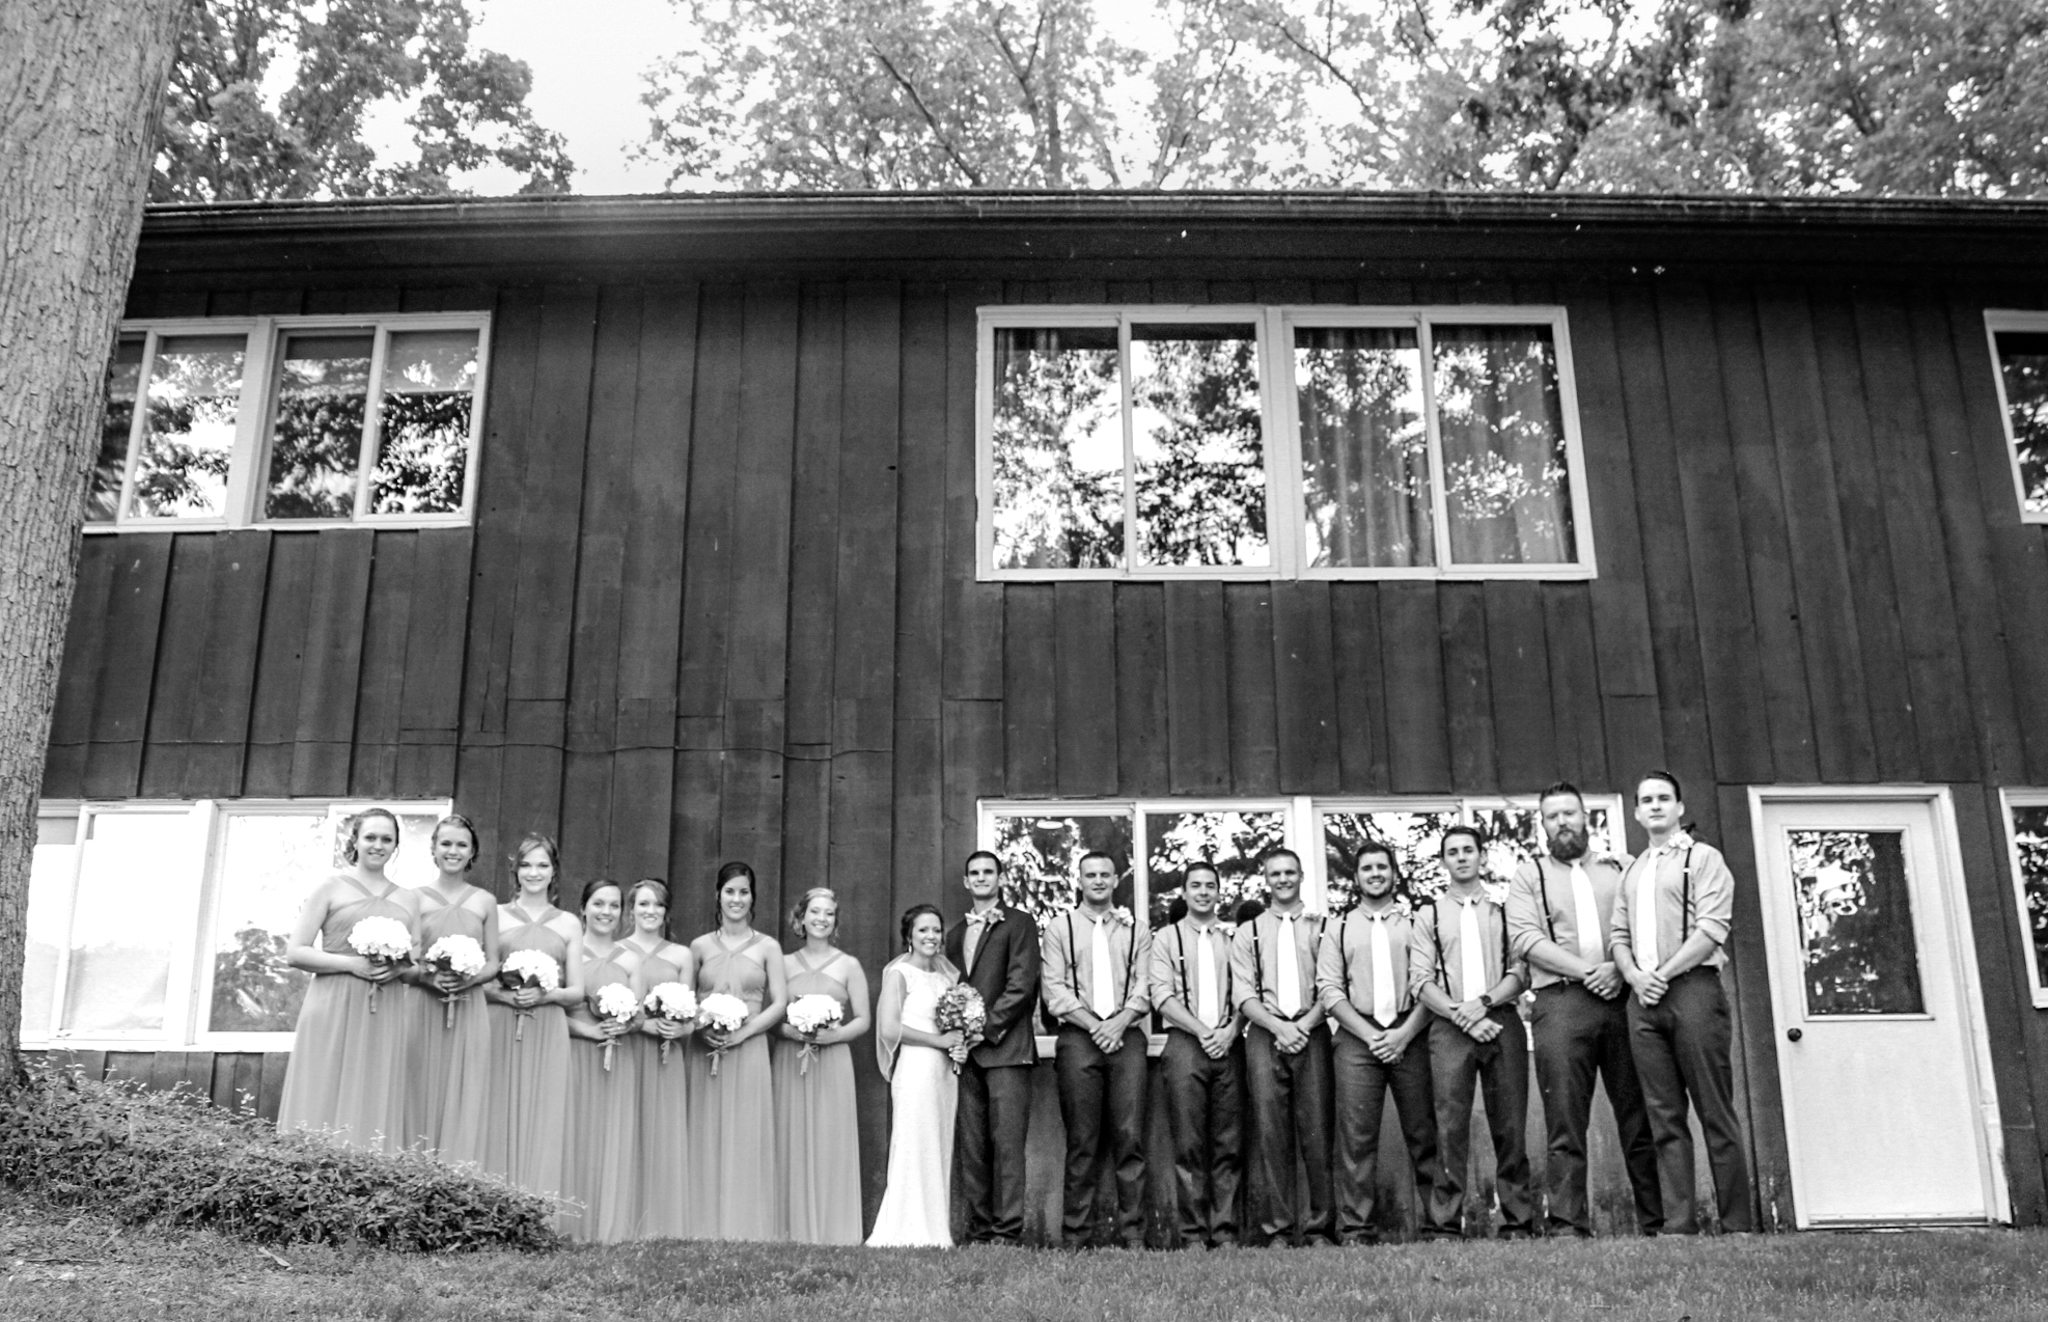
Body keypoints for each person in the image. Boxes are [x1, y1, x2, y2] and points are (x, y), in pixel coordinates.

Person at [1506, 782, 1662, 1238]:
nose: (1563, 823)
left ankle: (1656, 1221)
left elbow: (1643, 926)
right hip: (1561, 1003)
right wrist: (1587, 971)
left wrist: (1617, 970)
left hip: (1622, 999)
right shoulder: (1528, 875)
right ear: (1543, 824)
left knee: (1639, 1115)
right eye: (1553, 816)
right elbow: (1526, 939)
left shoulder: (1623, 868)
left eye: (1570, 813)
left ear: (1586, 817)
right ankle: (1568, 1224)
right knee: (1565, 1122)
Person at [1611, 770, 1755, 1234]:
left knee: (1715, 1109)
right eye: (1646, 800)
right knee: (1663, 1116)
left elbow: (1712, 928)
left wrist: (1662, 975)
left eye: (1663, 798)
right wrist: (1635, 976)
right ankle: (1678, 1225)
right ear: (1636, 812)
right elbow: (1618, 935)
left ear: (1679, 808)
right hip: (1644, 1003)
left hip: (1693, 992)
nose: (1654, 806)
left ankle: (1737, 1224)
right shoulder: (1632, 869)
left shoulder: (1704, 858)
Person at [1412, 825, 1535, 1240]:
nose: (1462, 857)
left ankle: (1518, 1220)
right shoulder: (1429, 914)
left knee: (1511, 1124)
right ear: (1444, 860)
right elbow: (1421, 980)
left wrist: (1482, 1005)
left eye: (1469, 850)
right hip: (1449, 1028)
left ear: (1481, 857)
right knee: (1449, 1127)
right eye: (1453, 852)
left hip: (1501, 1020)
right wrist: (1462, 1014)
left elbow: (1521, 971)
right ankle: (1445, 1224)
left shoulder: (1503, 912)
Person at [276, 808, 421, 1153]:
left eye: (387, 839)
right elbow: (295, 952)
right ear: (354, 840)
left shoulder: (409, 899)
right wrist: (350, 965)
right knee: (323, 1088)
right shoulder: (330, 887)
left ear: (396, 846)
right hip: (332, 1003)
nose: (377, 845)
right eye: (370, 837)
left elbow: (415, 966)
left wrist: (399, 969)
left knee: (374, 1089)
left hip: (383, 1012)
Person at [1317, 842, 1440, 1245]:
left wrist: (1404, 1034)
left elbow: (1429, 983)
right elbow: (1330, 991)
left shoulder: (1415, 922)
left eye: (1382, 867)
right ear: (1356, 877)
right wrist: (1372, 1036)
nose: (1375, 874)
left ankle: (1440, 1226)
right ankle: (1356, 1230)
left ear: (1393, 873)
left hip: (1411, 1031)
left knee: (1424, 1132)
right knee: (1356, 1138)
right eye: (1367, 868)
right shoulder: (1337, 927)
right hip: (1357, 1037)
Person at [1040, 851, 1153, 1249]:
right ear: (1080, 880)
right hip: (1078, 1039)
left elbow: (1146, 984)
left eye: (1106, 874)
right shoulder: (1060, 928)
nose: (1099, 881)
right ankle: (1076, 1237)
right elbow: (1053, 990)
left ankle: (1134, 1236)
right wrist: (1096, 1026)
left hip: (1127, 1038)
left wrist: (1119, 1023)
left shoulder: (1136, 928)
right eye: (1091, 875)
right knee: (1082, 1141)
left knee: (1130, 1138)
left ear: (1116, 879)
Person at [1231, 848, 1336, 1247]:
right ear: (1266, 879)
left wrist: (1304, 1026)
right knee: (1271, 1133)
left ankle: (1320, 1228)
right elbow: (1242, 993)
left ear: (1302, 875)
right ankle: (1277, 1228)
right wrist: (1278, 1026)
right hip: (1264, 1033)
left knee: (1318, 1131)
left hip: (1313, 1030)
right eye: (1275, 873)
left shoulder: (1324, 926)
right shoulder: (1248, 932)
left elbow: (1332, 984)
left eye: (1290, 872)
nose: (1283, 879)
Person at [943, 849, 1042, 1246]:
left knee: (1007, 1145)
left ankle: (1007, 1230)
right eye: (974, 873)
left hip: (1006, 1049)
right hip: (967, 1057)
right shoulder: (952, 935)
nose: (981, 878)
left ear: (999, 879)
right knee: (973, 1147)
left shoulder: (1019, 923)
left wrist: (983, 1029)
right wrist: (956, 1034)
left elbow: (1022, 984)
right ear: (966, 882)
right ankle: (980, 1228)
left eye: (988, 872)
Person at [688, 861, 788, 1241]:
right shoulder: (698, 946)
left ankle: (746, 1223)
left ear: (753, 897)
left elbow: (778, 1003)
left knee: (747, 1133)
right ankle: (702, 1222)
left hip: (749, 1049)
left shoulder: (767, 947)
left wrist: (745, 1033)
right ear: (718, 895)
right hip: (705, 1049)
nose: (736, 899)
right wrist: (702, 1025)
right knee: (704, 1128)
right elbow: (685, 997)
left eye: (743, 892)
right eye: (729, 891)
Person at [480, 833, 583, 1201]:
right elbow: (483, 980)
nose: (533, 872)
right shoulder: (496, 915)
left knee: (545, 1112)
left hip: (548, 1027)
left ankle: (540, 1203)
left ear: (554, 871)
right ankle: (494, 1201)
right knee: (496, 1108)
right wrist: (507, 996)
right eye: (526, 865)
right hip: (500, 1022)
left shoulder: (570, 923)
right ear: (515, 870)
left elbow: (577, 992)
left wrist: (544, 994)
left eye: (542, 865)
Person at [1148, 859, 1243, 1250]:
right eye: (1196, 885)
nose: (1203, 892)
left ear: (1219, 892)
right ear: (1184, 892)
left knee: (1228, 1143)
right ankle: (1192, 1235)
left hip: (1229, 1043)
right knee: (1188, 1146)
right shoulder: (1166, 939)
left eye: (1210, 885)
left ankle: (1225, 1233)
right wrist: (1204, 1032)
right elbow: (1161, 996)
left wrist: (1230, 1030)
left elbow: (1248, 991)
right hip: (1186, 1045)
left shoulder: (1235, 938)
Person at [773, 887, 870, 1245]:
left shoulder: (849, 965)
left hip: (832, 1060)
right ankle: (790, 1227)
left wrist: (836, 1035)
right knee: (790, 1134)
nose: (821, 919)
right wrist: (791, 1032)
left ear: (835, 921)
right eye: (814, 912)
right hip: (790, 1058)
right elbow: (773, 1018)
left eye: (829, 913)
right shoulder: (783, 963)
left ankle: (834, 1229)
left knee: (830, 1139)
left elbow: (863, 1019)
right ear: (800, 918)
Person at [867, 904, 968, 1247]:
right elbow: (889, 1027)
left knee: (937, 1142)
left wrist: (957, 1045)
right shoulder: (900, 973)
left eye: (936, 930)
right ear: (909, 935)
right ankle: (903, 1230)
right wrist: (938, 1041)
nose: (931, 936)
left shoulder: (946, 979)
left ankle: (935, 1230)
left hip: (943, 1072)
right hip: (915, 1068)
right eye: (923, 930)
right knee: (913, 1142)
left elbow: (956, 1025)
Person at [401, 814, 498, 1164]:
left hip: (469, 1006)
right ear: (433, 849)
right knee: (417, 1087)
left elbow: (494, 963)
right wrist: (427, 977)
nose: (453, 851)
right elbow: (405, 961)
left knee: (465, 1091)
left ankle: (459, 1174)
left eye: (461, 845)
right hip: (422, 1005)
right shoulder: (413, 898)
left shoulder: (485, 901)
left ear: (472, 852)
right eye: (446, 843)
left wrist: (468, 979)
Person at [562, 878, 642, 1243]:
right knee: (573, 1131)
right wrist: (586, 1031)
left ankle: (605, 1225)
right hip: (575, 1053)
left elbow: (639, 1016)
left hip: (615, 1056)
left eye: (613, 906)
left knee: (610, 1136)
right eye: (598, 904)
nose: (606, 912)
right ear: (583, 908)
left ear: (622, 914)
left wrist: (622, 1024)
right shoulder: (570, 951)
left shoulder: (630, 959)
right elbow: (553, 1010)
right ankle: (569, 1222)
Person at [624, 877, 696, 1240]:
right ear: (631, 909)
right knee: (627, 1128)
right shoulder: (618, 950)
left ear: (667, 912)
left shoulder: (681, 955)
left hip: (667, 1056)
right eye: (643, 904)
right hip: (629, 1050)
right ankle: (624, 1212)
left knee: (662, 1132)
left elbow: (692, 1015)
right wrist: (644, 1026)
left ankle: (661, 1221)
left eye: (658, 905)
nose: (650, 911)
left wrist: (680, 1030)